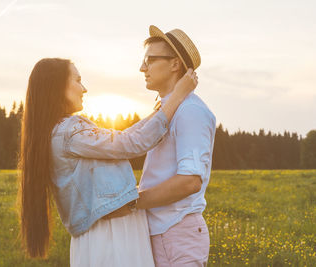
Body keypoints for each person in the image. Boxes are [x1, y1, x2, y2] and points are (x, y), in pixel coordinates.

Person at [17, 57, 198, 266]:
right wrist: (177, 96)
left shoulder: (62, 131)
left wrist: (158, 112)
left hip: (106, 233)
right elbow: (131, 143)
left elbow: (121, 140)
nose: (83, 89)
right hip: (111, 236)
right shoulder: (69, 132)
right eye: (77, 80)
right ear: (57, 87)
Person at [111, 25, 216, 266]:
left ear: (174, 64)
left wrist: (129, 203)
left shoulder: (191, 111)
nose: (142, 67)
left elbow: (190, 181)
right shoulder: (166, 109)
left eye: (149, 59)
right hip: (160, 231)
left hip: (176, 233)